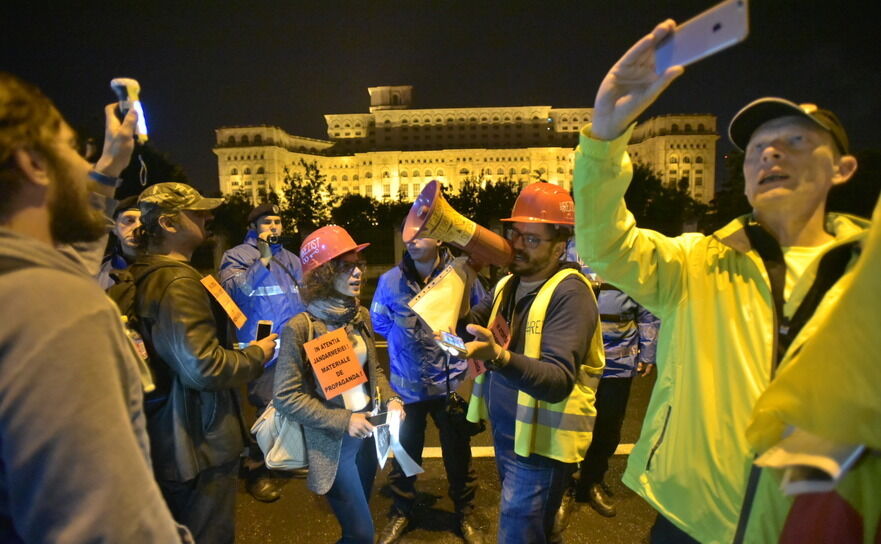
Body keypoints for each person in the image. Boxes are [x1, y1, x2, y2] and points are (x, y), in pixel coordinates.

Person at [572, 20, 867, 543]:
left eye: (796, 141)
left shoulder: (869, 280)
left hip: (813, 526)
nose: (770, 154)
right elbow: (605, 245)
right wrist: (605, 136)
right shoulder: (698, 263)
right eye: (757, 149)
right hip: (690, 522)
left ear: (842, 169)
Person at [0, 72, 188, 542]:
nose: (82, 160)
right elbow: (109, 524)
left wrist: (108, 166)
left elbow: (68, 258)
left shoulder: (21, 284)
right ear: (33, 164)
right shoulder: (55, 309)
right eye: (72, 147)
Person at [131, 182, 277, 543]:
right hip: (199, 445)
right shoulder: (178, 281)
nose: (207, 217)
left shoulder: (147, 271)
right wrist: (257, 353)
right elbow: (204, 367)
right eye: (196, 213)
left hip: (171, 435)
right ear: (167, 224)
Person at [461, 182, 605, 544]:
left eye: (532, 238)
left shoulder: (570, 293)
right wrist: (463, 274)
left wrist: (499, 357)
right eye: (515, 234)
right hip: (511, 436)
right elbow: (467, 324)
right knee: (534, 532)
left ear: (561, 244)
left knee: (517, 534)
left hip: (543, 448)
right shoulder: (509, 284)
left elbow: (558, 381)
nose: (518, 244)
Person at [274, 224, 405, 544]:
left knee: (354, 529)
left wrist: (391, 400)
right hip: (334, 448)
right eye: (346, 267)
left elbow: (373, 369)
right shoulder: (300, 327)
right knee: (362, 534)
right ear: (322, 274)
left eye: (358, 264)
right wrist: (345, 421)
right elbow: (285, 396)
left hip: (367, 437)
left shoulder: (359, 315)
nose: (358, 273)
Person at [371, 235, 486, 544]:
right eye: (407, 235)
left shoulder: (461, 277)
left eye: (420, 234)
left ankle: (465, 511)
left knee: (458, 454)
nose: (410, 240)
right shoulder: (389, 280)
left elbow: (480, 318)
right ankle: (402, 509)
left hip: (450, 386)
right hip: (407, 390)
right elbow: (379, 322)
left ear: (438, 238)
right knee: (404, 454)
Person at [219, 201, 306, 501]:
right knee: (266, 407)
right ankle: (256, 471)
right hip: (262, 347)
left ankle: (281, 459)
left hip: (295, 345)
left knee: (294, 402)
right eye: (267, 223)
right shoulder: (237, 256)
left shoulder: (293, 260)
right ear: (253, 229)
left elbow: (303, 297)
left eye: (278, 222)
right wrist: (265, 257)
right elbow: (235, 290)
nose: (273, 227)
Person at [573, 276, 659, 517]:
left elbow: (648, 305)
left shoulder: (630, 260)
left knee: (608, 427)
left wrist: (648, 352)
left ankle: (591, 481)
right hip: (576, 359)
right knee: (570, 425)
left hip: (619, 359)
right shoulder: (567, 250)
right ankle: (565, 487)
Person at [97, 194, 141, 288]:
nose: (138, 227)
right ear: (114, 227)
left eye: (144, 221)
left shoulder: (165, 270)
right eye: (129, 220)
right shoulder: (98, 268)